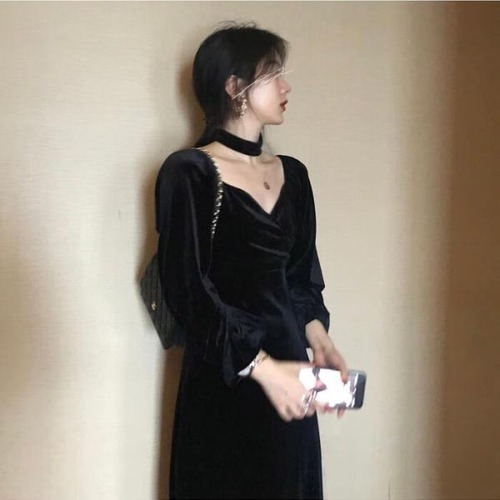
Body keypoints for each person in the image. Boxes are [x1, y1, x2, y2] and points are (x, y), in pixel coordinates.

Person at [155, 23, 348, 499]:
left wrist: (319, 339)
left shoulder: (294, 176)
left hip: (291, 364)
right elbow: (187, 292)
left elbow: (299, 277)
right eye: (274, 74)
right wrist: (264, 369)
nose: (286, 87)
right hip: (225, 375)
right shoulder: (189, 172)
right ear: (234, 86)